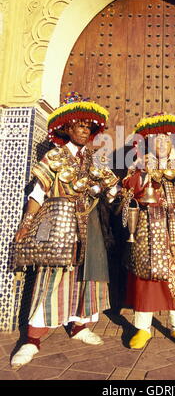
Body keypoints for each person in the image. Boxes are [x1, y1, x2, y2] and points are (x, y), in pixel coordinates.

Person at [11, 92, 120, 369]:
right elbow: (39, 191)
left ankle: (79, 325)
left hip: (90, 223)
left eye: (87, 126)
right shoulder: (55, 156)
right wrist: (26, 223)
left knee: (88, 274)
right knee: (53, 273)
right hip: (59, 219)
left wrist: (115, 192)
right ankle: (33, 337)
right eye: (78, 125)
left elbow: (109, 192)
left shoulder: (96, 160)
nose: (84, 130)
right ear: (67, 128)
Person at [121, 113, 175, 350]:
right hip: (147, 228)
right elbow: (128, 189)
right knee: (146, 277)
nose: (161, 145)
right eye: (157, 141)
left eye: (166, 141)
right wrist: (144, 172)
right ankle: (142, 328)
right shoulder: (138, 164)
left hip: (174, 229)